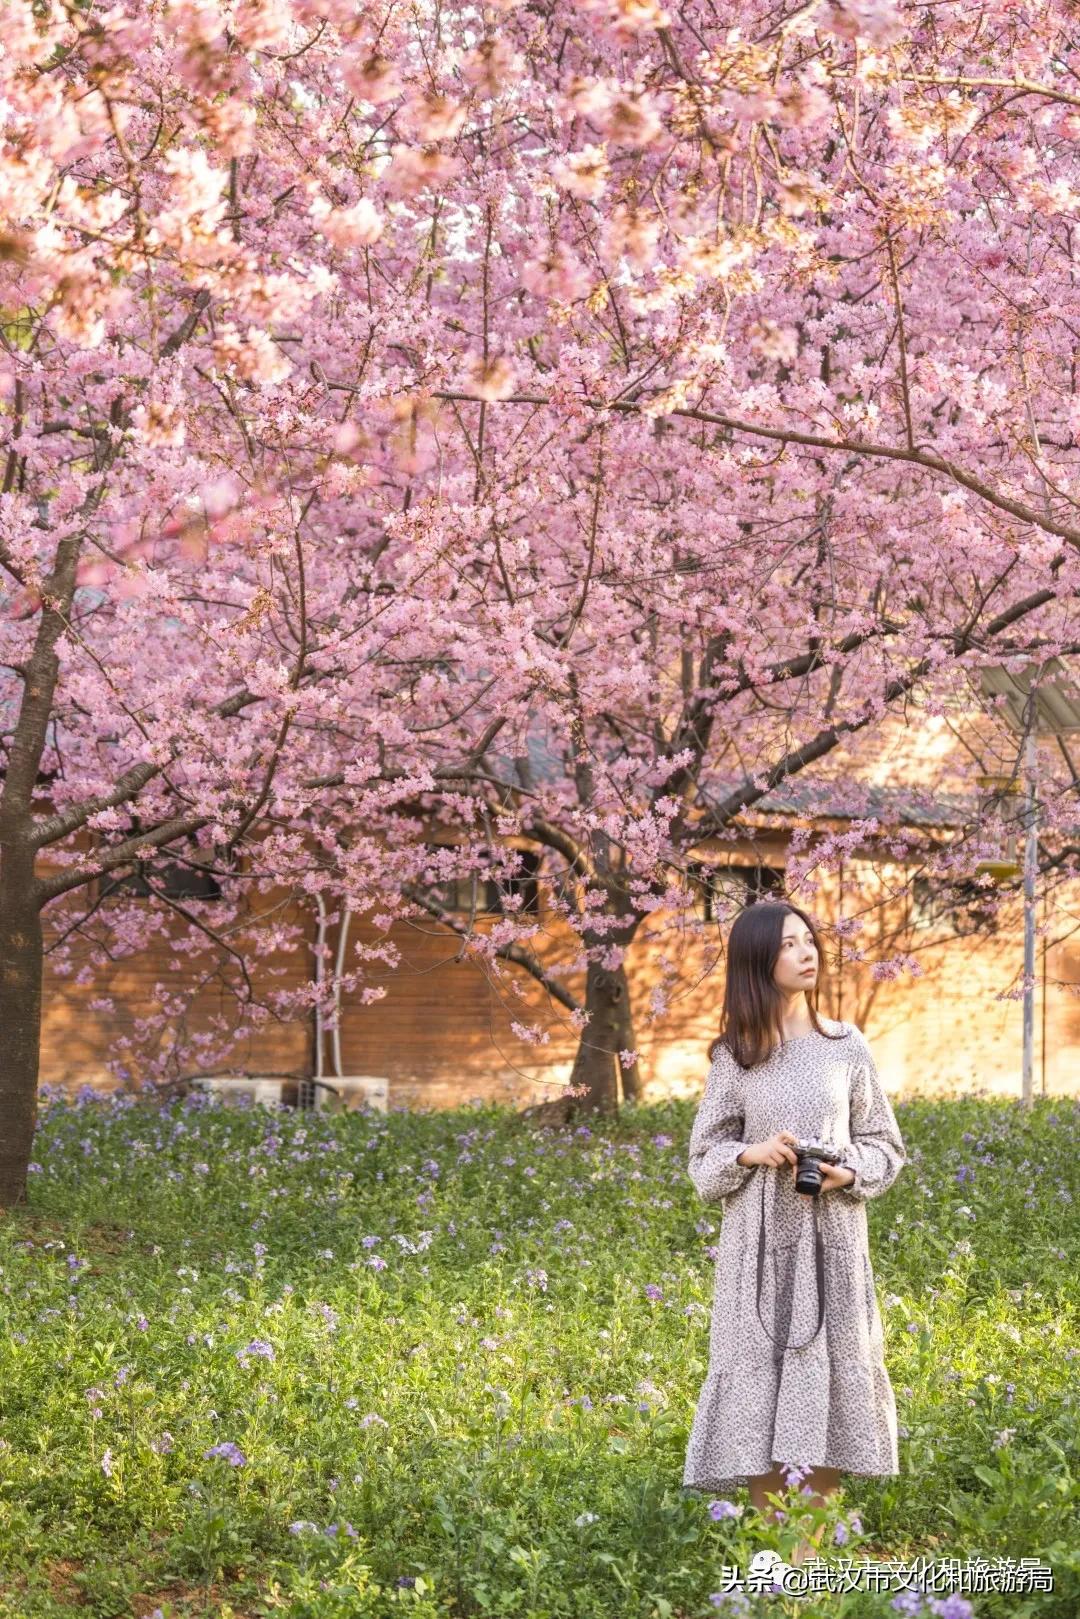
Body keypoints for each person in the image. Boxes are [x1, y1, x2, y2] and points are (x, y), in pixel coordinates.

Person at [682, 898, 908, 1565]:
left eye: (809, 939)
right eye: (788, 944)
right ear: (759, 959)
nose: (806, 951)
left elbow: (885, 1145)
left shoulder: (847, 1045)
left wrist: (848, 1171)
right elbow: (703, 1158)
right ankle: (776, 1567)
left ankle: (810, 1571)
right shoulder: (737, 1056)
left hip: (833, 1248)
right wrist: (753, 1153)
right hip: (757, 1256)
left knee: (824, 1403)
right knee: (760, 1400)